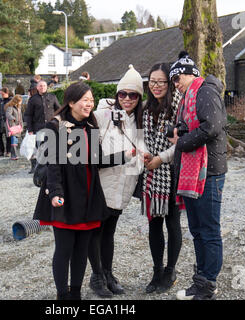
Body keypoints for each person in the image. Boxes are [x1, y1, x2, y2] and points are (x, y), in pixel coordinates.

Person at [33, 81, 135, 300]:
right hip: (65, 196)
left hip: (88, 196)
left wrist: (123, 156)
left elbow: (95, 160)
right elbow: (53, 165)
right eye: (84, 100)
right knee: (64, 249)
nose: (89, 104)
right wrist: (56, 192)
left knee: (81, 249)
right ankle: (63, 296)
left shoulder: (91, 127)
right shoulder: (55, 126)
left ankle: (76, 294)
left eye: (91, 100)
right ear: (71, 102)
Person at [168, 51, 228, 300]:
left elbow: (211, 127)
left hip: (208, 172)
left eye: (177, 78)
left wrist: (181, 142)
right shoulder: (190, 96)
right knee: (198, 230)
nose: (176, 84)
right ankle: (202, 280)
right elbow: (195, 125)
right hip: (195, 172)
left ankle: (208, 284)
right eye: (174, 80)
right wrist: (176, 131)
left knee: (208, 230)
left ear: (190, 73)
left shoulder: (204, 91)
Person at [88, 64, 144, 297]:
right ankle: (97, 276)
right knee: (96, 232)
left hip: (123, 184)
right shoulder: (104, 115)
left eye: (132, 94)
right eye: (122, 94)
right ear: (117, 95)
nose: (127, 99)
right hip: (102, 183)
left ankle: (108, 273)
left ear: (139, 97)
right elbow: (84, 138)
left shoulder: (141, 119)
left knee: (109, 232)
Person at [140, 63, 183, 294]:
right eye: (152, 82)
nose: (156, 86)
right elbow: (141, 140)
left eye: (161, 82)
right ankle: (156, 271)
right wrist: (146, 155)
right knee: (154, 224)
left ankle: (171, 270)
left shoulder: (179, 107)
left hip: (172, 171)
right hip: (151, 174)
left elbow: (182, 143)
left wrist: (160, 158)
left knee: (172, 223)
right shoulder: (145, 110)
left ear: (169, 83)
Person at [23, 80, 61, 173]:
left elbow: (59, 110)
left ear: (46, 87)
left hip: (51, 127)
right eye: (40, 86)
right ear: (37, 87)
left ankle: (51, 167)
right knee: (40, 148)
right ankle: (40, 169)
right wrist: (30, 129)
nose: (42, 87)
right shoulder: (33, 99)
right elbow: (28, 115)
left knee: (52, 147)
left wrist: (58, 122)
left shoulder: (52, 97)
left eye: (44, 85)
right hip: (38, 128)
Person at [0, 87, 12, 157]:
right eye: (1, 94)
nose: (1, 95)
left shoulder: (10, 101)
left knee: (8, 137)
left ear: (7, 93)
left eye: (3, 94)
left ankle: (8, 151)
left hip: (7, 122)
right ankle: (0, 151)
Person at [5, 95, 23, 160]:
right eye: (20, 101)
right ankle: (13, 155)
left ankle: (14, 154)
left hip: (17, 127)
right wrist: (13, 118)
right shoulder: (10, 107)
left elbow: (21, 118)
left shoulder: (19, 108)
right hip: (12, 126)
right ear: (17, 101)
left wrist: (21, 125)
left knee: (15, 140)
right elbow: (8, 114)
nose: (21, 102)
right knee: (14, 140)